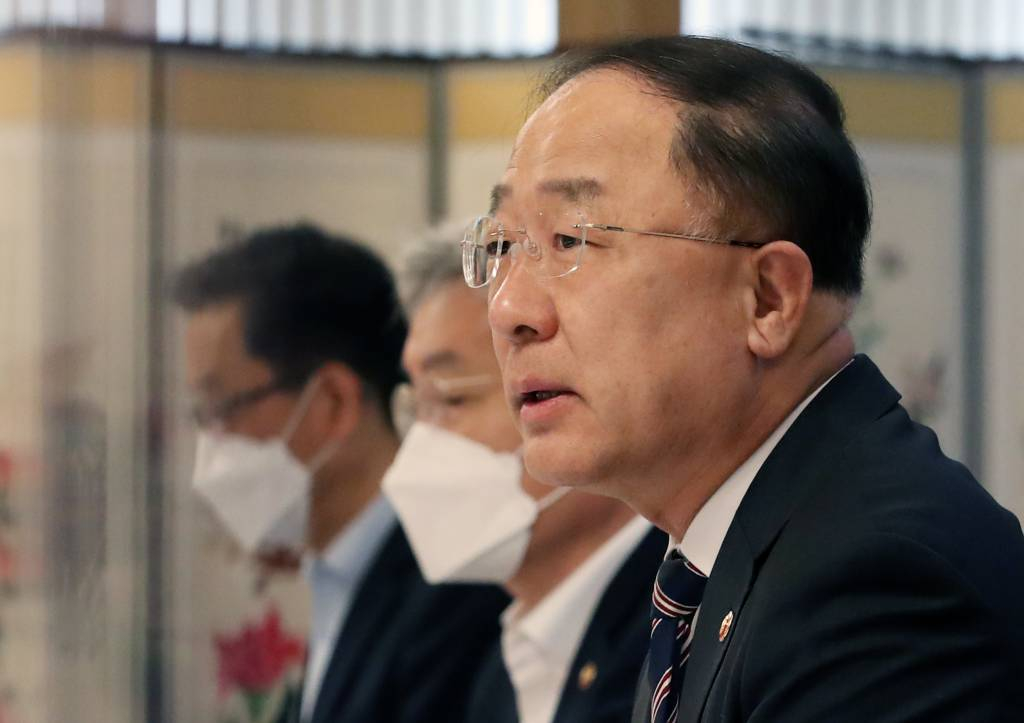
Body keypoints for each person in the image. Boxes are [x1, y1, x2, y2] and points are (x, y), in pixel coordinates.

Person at [464, 36, 1024, 723]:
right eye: (502, 244)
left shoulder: (875, 584)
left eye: (571, 240)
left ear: (768, 299)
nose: (509, 310)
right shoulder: (720, 557)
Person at [173, 223, 507, 723]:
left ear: (332, 402)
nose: (210, 443)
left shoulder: (454, 592)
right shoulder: (338, 576)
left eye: (221, 408)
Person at [383, 226, 666, 723]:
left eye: (450, 398)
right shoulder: (501, 668)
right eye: (415, 406)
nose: (423, 443)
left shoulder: (675, 635)